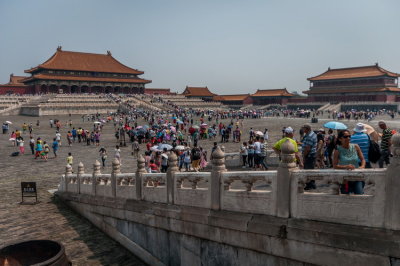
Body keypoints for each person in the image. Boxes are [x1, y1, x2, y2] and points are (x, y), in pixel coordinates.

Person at [333, 130, 366, 194]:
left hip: (357, 177)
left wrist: (362, 166)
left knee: (359, 194)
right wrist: (346, 167)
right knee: (346, 198)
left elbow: (363, 159)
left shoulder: (356, 146)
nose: (348, 138)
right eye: (345, 137)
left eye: (349, 136)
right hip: (345, 179)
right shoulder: (337, 150)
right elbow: (335, 165)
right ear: (340, 139)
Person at [301, 124, 317, 190]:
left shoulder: (309, 136)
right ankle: (312, 183)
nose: (303, 129)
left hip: (309, 155)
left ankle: (310, 184)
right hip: (312, 155)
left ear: (307, 129)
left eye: (304, 128)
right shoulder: (313, 134)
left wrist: (304, 157)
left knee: (308, 169)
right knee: (311, 169)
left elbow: (307, 148)